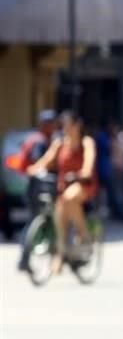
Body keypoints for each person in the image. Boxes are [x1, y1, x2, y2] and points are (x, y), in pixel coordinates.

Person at [27, 111, 99, 275]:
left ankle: (83, 234)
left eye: (69, 125)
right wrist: (33, 169)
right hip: (63, 186)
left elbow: (89, 160)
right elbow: (47, 159)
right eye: (64, 126)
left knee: (70, 197)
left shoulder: (86, 142)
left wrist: (84, 172)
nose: (66, 129)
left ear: (77, 126)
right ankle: (60, 254)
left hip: (82, 184)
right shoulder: (60, 143)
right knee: (59, 218)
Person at [15, 110, 59, 269]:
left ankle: (26, 258)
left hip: (33, 185)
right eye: (52, 124)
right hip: (38, 186)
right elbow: (38, 164)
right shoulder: (40, 141)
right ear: (46, 125)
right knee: (35, 221)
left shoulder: (36, 138)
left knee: (34, 220)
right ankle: (25, 258)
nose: (54, 127)